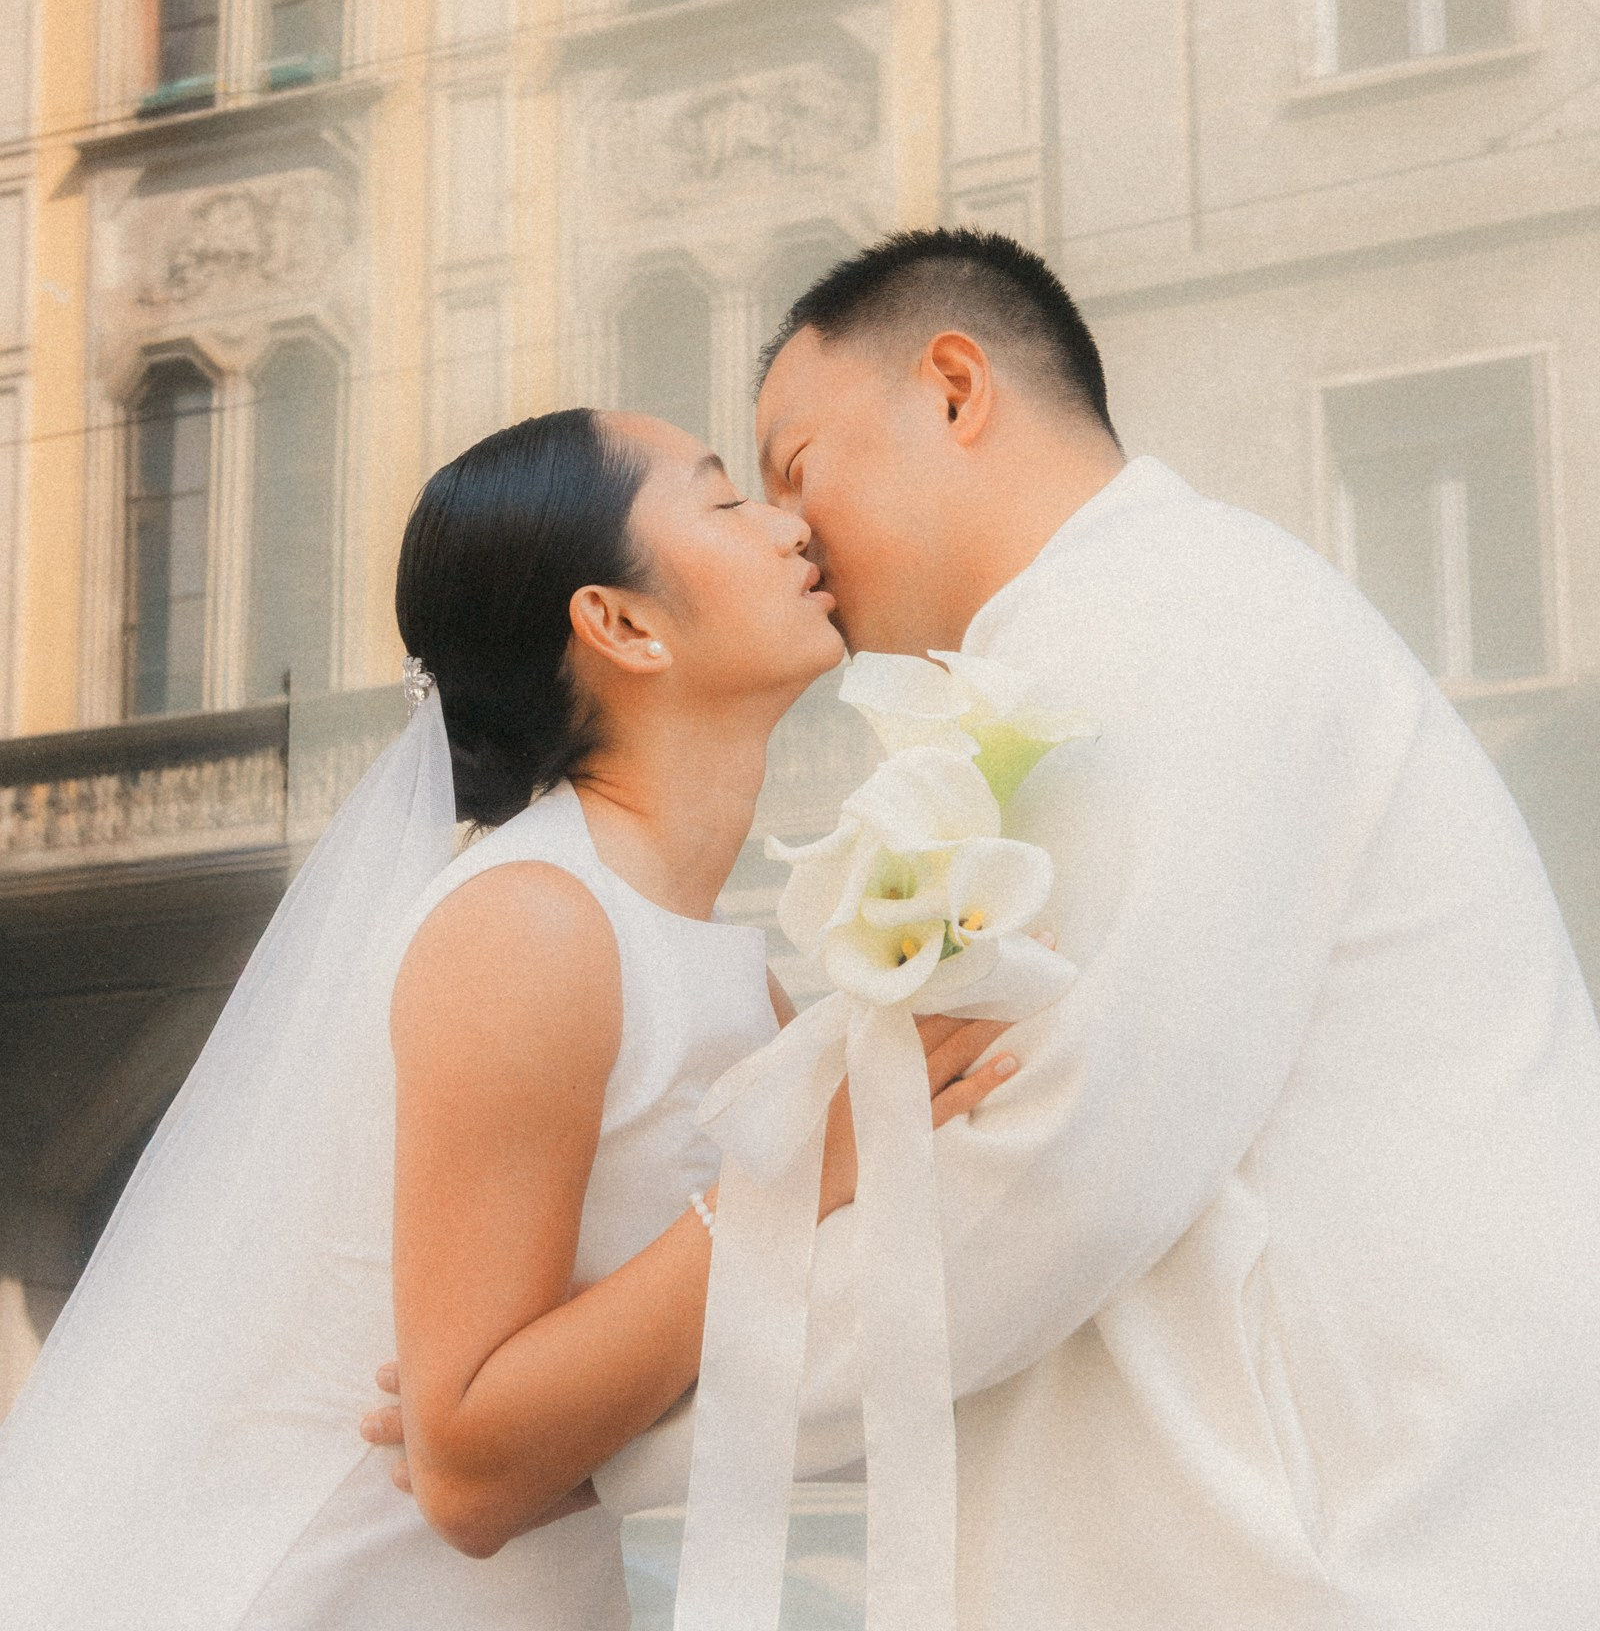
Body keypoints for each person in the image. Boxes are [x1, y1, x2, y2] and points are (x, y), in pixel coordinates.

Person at [579, 229, 1600, 1628]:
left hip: (1362, 1553)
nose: (792, 536)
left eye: (797, 469)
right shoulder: (1122, 630)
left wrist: (599, 1435)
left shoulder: (1166, 630)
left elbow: (1045, 1178)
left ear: (953, 388)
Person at [0, 405, 1015, 1630]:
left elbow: (611, 1398)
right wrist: (798, 1174)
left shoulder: (739, 979)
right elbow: (473, 1469)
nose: (789, 522)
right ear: (622, 623)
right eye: (722, 499)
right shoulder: (528, 923)